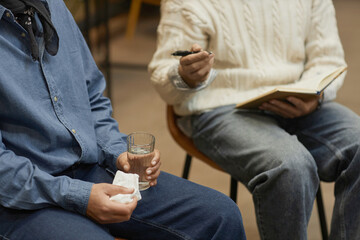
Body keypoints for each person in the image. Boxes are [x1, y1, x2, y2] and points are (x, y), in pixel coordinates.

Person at [0, 1, 247, 239]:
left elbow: (92, 99)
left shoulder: (53, 6)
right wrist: (79, 196)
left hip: (87, 169)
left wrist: (118, 153)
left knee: (221, 216)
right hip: (22, 195)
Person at [148, 0, 360, 239]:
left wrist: (316, 97)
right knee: (290, 166)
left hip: (298, 94)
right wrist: (185, 76)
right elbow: (162, 76)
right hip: (220, 105)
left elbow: (328, 58)